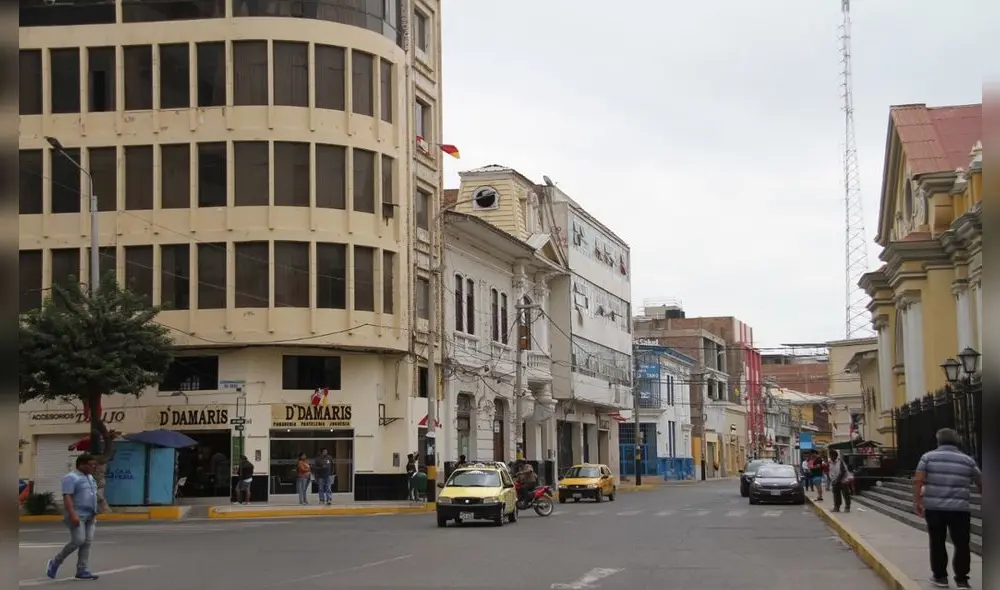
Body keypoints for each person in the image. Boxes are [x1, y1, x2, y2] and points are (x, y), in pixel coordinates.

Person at [913, 428, 982, 589]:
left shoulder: (928, 457)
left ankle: (940, 577)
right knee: (962, 544)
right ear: (957, 441)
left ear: (938, 441)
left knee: (937, 542)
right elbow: (981, 481)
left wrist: (917, 501)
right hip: (960, 509)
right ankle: (962, 580)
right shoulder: (967, 460)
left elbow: (918, 481)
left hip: (934, 508)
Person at [46, 453, 100, 581]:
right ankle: (55, 562)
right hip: (77, 515)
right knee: (78, 540)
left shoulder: (90, 477)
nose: (94, 468)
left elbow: (92, 494)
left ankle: (82, 570)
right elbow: (67, 496)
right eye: (92, 465)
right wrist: (72, 514)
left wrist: (97, 507)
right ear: (82, 465)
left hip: (90, 515)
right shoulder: (71, 477)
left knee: (87, 542)